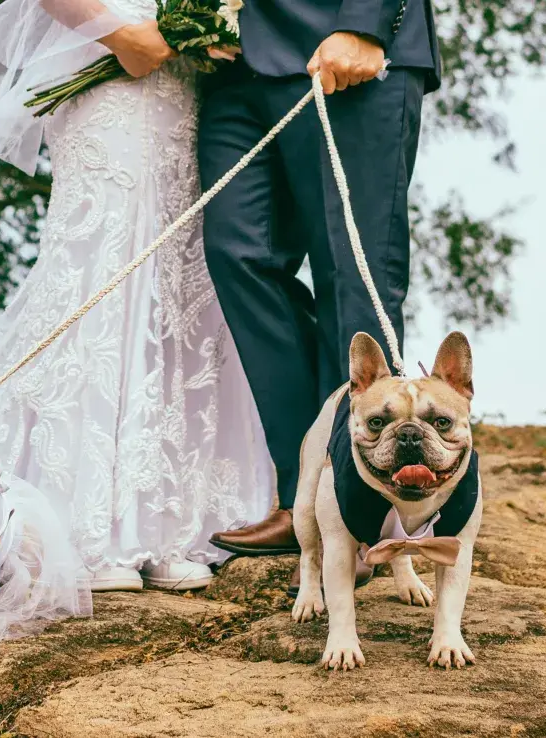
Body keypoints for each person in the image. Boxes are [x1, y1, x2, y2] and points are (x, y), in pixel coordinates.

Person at [0, 0, 274, 592]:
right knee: (103, 269)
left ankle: (170, 523)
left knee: (176, 283)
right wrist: (119, 31)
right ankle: (87, 526)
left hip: (183, 89)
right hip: (107, 70)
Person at [198, 0, 442, 591]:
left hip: (344, 49)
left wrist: (365, 24)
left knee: (353, 276)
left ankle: (357, 507)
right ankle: (301, 495)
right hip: (232, 64)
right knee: (238, 256)